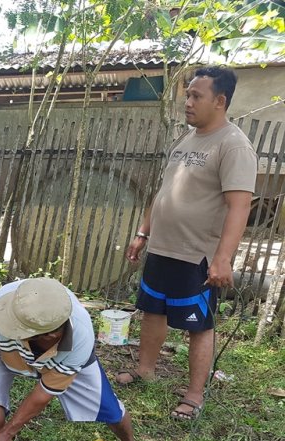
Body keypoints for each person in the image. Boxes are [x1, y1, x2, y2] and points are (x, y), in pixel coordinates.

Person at [118, 66, 257, 421]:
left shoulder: (234, 145)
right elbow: (164, 190)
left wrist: (223, 258)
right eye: (188, 94)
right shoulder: (187, 139)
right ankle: (146, 369)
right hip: (162, 246)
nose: (188, 102)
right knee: (153, 309)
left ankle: (194, 394)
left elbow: (239, 206)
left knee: (199, 324)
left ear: (220, 101)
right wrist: (143, 231)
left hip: (197, 253)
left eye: (197, 96)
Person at [0, 278, 165, 441]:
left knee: (111, 410)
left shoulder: (81, 337)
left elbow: (43, 394)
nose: (11, 326)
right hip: (6, 350)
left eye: (17, 327)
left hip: (65, 357)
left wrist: (9, 431)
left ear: (51, 335)